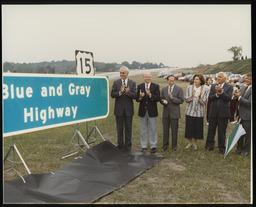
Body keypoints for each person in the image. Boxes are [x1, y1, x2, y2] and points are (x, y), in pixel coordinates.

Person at [205, 72, 233, 154]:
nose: (218, 78)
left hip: (223, 113)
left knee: (222, 131)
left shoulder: (229, 87)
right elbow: (210, 98)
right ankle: (209, 146)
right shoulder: (213, 86)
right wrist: (217, 94)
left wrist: (221, 92)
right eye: (217, 77)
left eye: (220, 77)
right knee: (211, 130)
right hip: (213, 112)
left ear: (225, 78)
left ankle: (221, 148)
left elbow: (228, 98)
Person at [111, 66, 136, 152]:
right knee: (120, 129)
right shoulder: (116, 83)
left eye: (123, 73)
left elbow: (135, 96)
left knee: (128, 129)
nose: (121, 74)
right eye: (120, 73)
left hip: (129, 110)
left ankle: (128, 146)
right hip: (119, 110)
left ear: (127, 74)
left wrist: (129, 93)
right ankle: (120, 146)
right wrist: (120, 92)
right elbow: (112, 95)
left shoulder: (132, 83)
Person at [136, 72, 160, 153]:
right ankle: (143, 145)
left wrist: (150, 95)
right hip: (142, 110)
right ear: (143, 78)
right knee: (143, 129)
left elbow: (158, 98)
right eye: (146, 77)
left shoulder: (156, 86)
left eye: (149, 77)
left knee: (153, 129)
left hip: (152, 111)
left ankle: (153, 145)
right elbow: (137, 99)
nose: (148, 78)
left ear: (151, 77)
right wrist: (140, 97)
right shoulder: (140, 86)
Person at [184, 74, 209, 150]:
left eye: (197, 79)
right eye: (195, 79)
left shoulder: (205, 89)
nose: (195, 80)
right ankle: (190, 143)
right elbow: (186, 99)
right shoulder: (189, 87)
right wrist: (192, 96)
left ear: (201, 81)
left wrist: (199, 97)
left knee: (197, 128)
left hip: (199, 113)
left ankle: (195, 143)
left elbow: (203, 103)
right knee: (189, 127)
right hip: (189, 112)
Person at [160, 75, 184, 151]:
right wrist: (163, 101)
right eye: (170, 81)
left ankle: (174, 146)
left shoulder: (179, 89)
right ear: (167, 81)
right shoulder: (164, 89)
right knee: (165, 130)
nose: (171, 82)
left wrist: (172, 98)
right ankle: (165, 146)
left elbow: (181, 100)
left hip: (174, 113)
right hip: (166, 113)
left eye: (173, 80)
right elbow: (161, 98)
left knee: (174, 131)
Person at [233, 73, 252, 156]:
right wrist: (235, 96)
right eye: (246, 78)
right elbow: (236, 99)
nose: (247, 80)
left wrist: (239, 97)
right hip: (240, 115)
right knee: (239, 133)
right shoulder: (243, 88)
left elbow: (249, 103)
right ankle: (239, 149)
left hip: (248, 116)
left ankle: (246, 151)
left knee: (247, 135)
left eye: (249, 79)